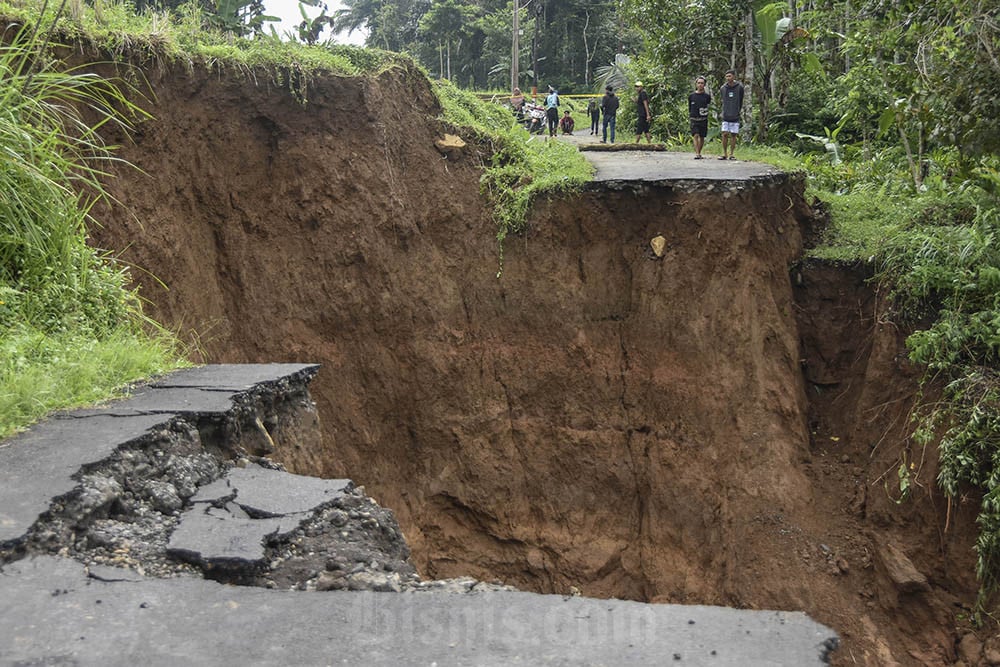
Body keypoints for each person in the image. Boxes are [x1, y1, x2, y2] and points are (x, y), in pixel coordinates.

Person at [719, 69, 744, 160]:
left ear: (734, 76)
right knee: (724, 134)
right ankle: (724, 153)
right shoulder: (723, 88)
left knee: (733, 135)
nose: (728, 78)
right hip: (726, 114)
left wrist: (738, 110)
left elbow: (741, 99)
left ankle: (732, 154)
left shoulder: (739, 87)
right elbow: (723, 100)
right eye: (726, 76)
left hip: (735, 114)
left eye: (730, 76)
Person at [688, 76, 711, 159]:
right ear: (696, 84)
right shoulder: (691, 96)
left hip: (703, 119)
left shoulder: (707, 96)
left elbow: (708, 105)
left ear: (704, 85)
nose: (700, 85)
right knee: (695, 135)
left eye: (702, 83)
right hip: (694, 119)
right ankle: (697, 153)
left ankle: (699, 152)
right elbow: (690, 107)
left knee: (702, 136)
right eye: (699, 83)